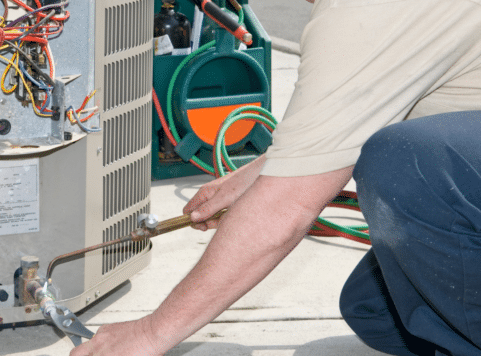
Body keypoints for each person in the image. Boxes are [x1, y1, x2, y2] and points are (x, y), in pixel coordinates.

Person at [70, 0, 481, 354]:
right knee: (377, 311)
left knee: (403, 163)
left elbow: (287, 206)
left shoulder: (364, 13)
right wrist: (262, 171)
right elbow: (352, 115)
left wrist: (150, 334)